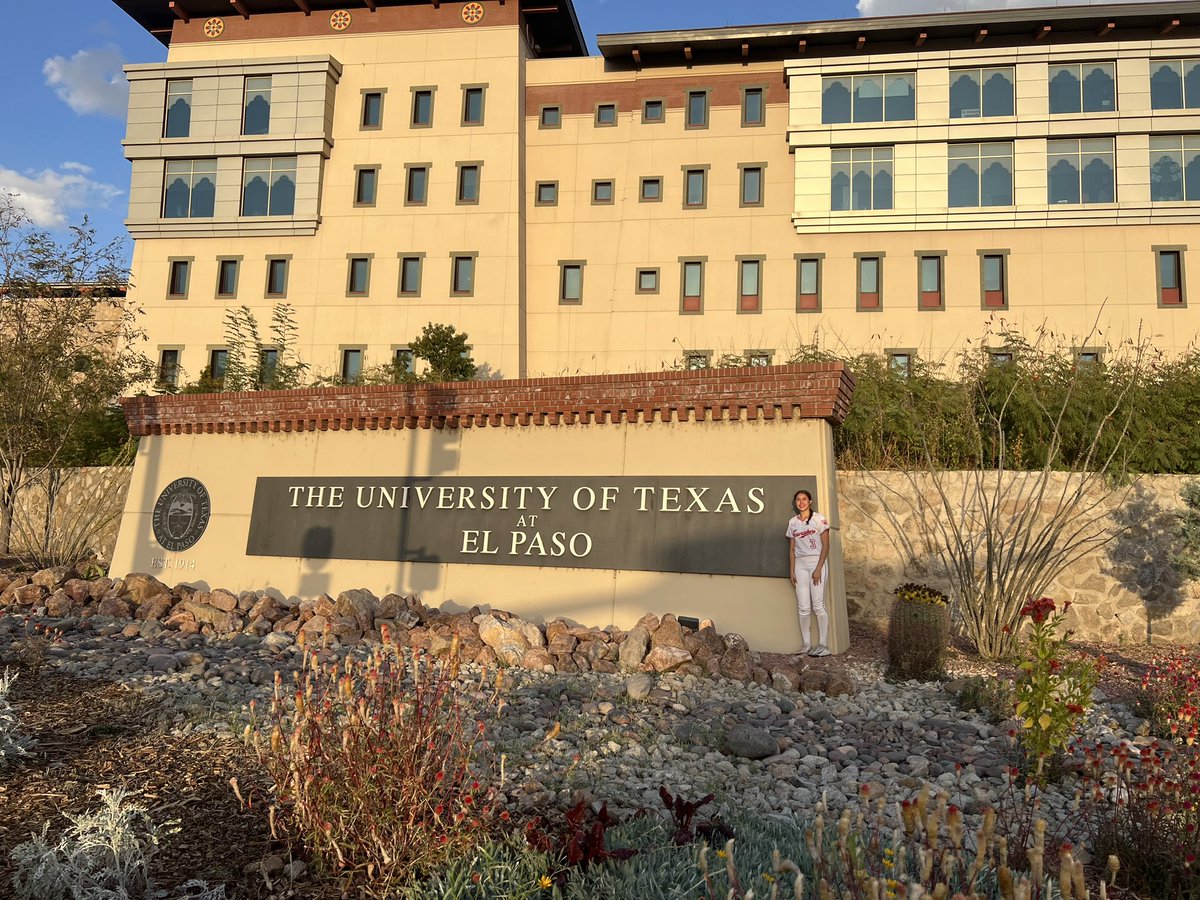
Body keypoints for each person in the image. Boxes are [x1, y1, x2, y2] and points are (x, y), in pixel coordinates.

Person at [786, 488, 831, 656]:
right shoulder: (792, 522)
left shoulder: (819, 519)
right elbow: (792, 549)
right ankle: (806, 644)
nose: (801, 502)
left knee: (818, 605)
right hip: (800, 564)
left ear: (810, 501)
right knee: (803, 607)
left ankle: (823, 645)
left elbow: (826, 545)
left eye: (804, 499)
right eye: (798, 499)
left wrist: (819, 568)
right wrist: (792, 570)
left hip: (816, 562)